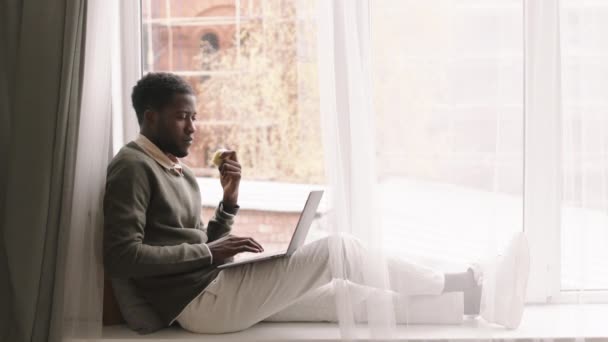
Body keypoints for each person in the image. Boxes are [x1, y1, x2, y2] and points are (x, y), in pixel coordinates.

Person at [103, 72, 530, 334]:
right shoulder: (132, 167)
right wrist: (211, 250)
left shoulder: (174, 169)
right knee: (337, 248)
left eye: (195, 116)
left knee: (340, 295)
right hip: (198, 304)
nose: (193, 127)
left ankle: (478, 304)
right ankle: (465, 280)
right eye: (182, 116)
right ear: (149, 116)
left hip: (211, 288)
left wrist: (229, 202)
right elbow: (122, 256)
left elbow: (198, 246)